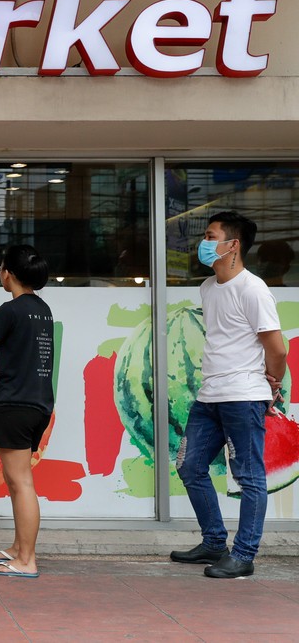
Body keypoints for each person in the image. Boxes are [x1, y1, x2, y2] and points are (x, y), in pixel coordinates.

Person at [170, 211, 286, 578]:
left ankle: (244, 555)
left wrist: (273, 383)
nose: (203, 244)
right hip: (210, 395)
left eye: (209, 235)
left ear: (232, 245)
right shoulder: (208, 287)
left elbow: (277, 348)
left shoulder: (253, 289)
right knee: (189, 466)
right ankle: (214, 543)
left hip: (243, 395)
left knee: (249, 477)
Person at [0, 245, 53, 579]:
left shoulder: (10, 310)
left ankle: (27, 560)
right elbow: (23, 351)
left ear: (9, 274)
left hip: (14, 403)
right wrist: (1, 353)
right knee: (18, 480)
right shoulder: (42, 309)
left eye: (1, 269)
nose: (0, 274)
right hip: (39, 403)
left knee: (21, 482)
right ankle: (19, 549)